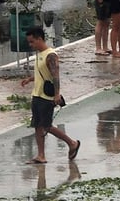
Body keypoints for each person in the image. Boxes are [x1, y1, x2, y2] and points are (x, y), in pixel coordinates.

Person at [19, 27, 80, 164]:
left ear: (40, 39)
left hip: (46, 97)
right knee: (37, 125)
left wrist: (57, 94)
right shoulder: (39, 54)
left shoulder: (50, 55)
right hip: (37, 94)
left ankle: (72, 143)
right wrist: (30, 79)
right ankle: (41, 155)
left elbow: (55, 76)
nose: (30, 45)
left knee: (47, 126)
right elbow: (42, 74)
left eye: (32, 42)